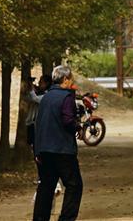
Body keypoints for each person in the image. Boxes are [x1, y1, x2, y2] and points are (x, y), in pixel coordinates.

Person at [33, 65, 83, 221]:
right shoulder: (67, 97)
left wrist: (37, 150)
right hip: (62, 150)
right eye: (70, 79)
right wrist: (78, 127)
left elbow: (38, 124)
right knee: (74, 185)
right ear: (65, 79)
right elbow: (68, 120)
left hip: (44, 151)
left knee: (46, 187)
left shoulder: (45, 97)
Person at [26, 74, 53, 151]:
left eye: (41, 82)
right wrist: (33, 89)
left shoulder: (47, 95)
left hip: (39, 126)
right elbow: (29, 99)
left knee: (38, 149)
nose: (39, 84)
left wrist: (31, 88)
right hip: (32, 123)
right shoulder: (39, 93)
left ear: (47, 83)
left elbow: (35, 99)